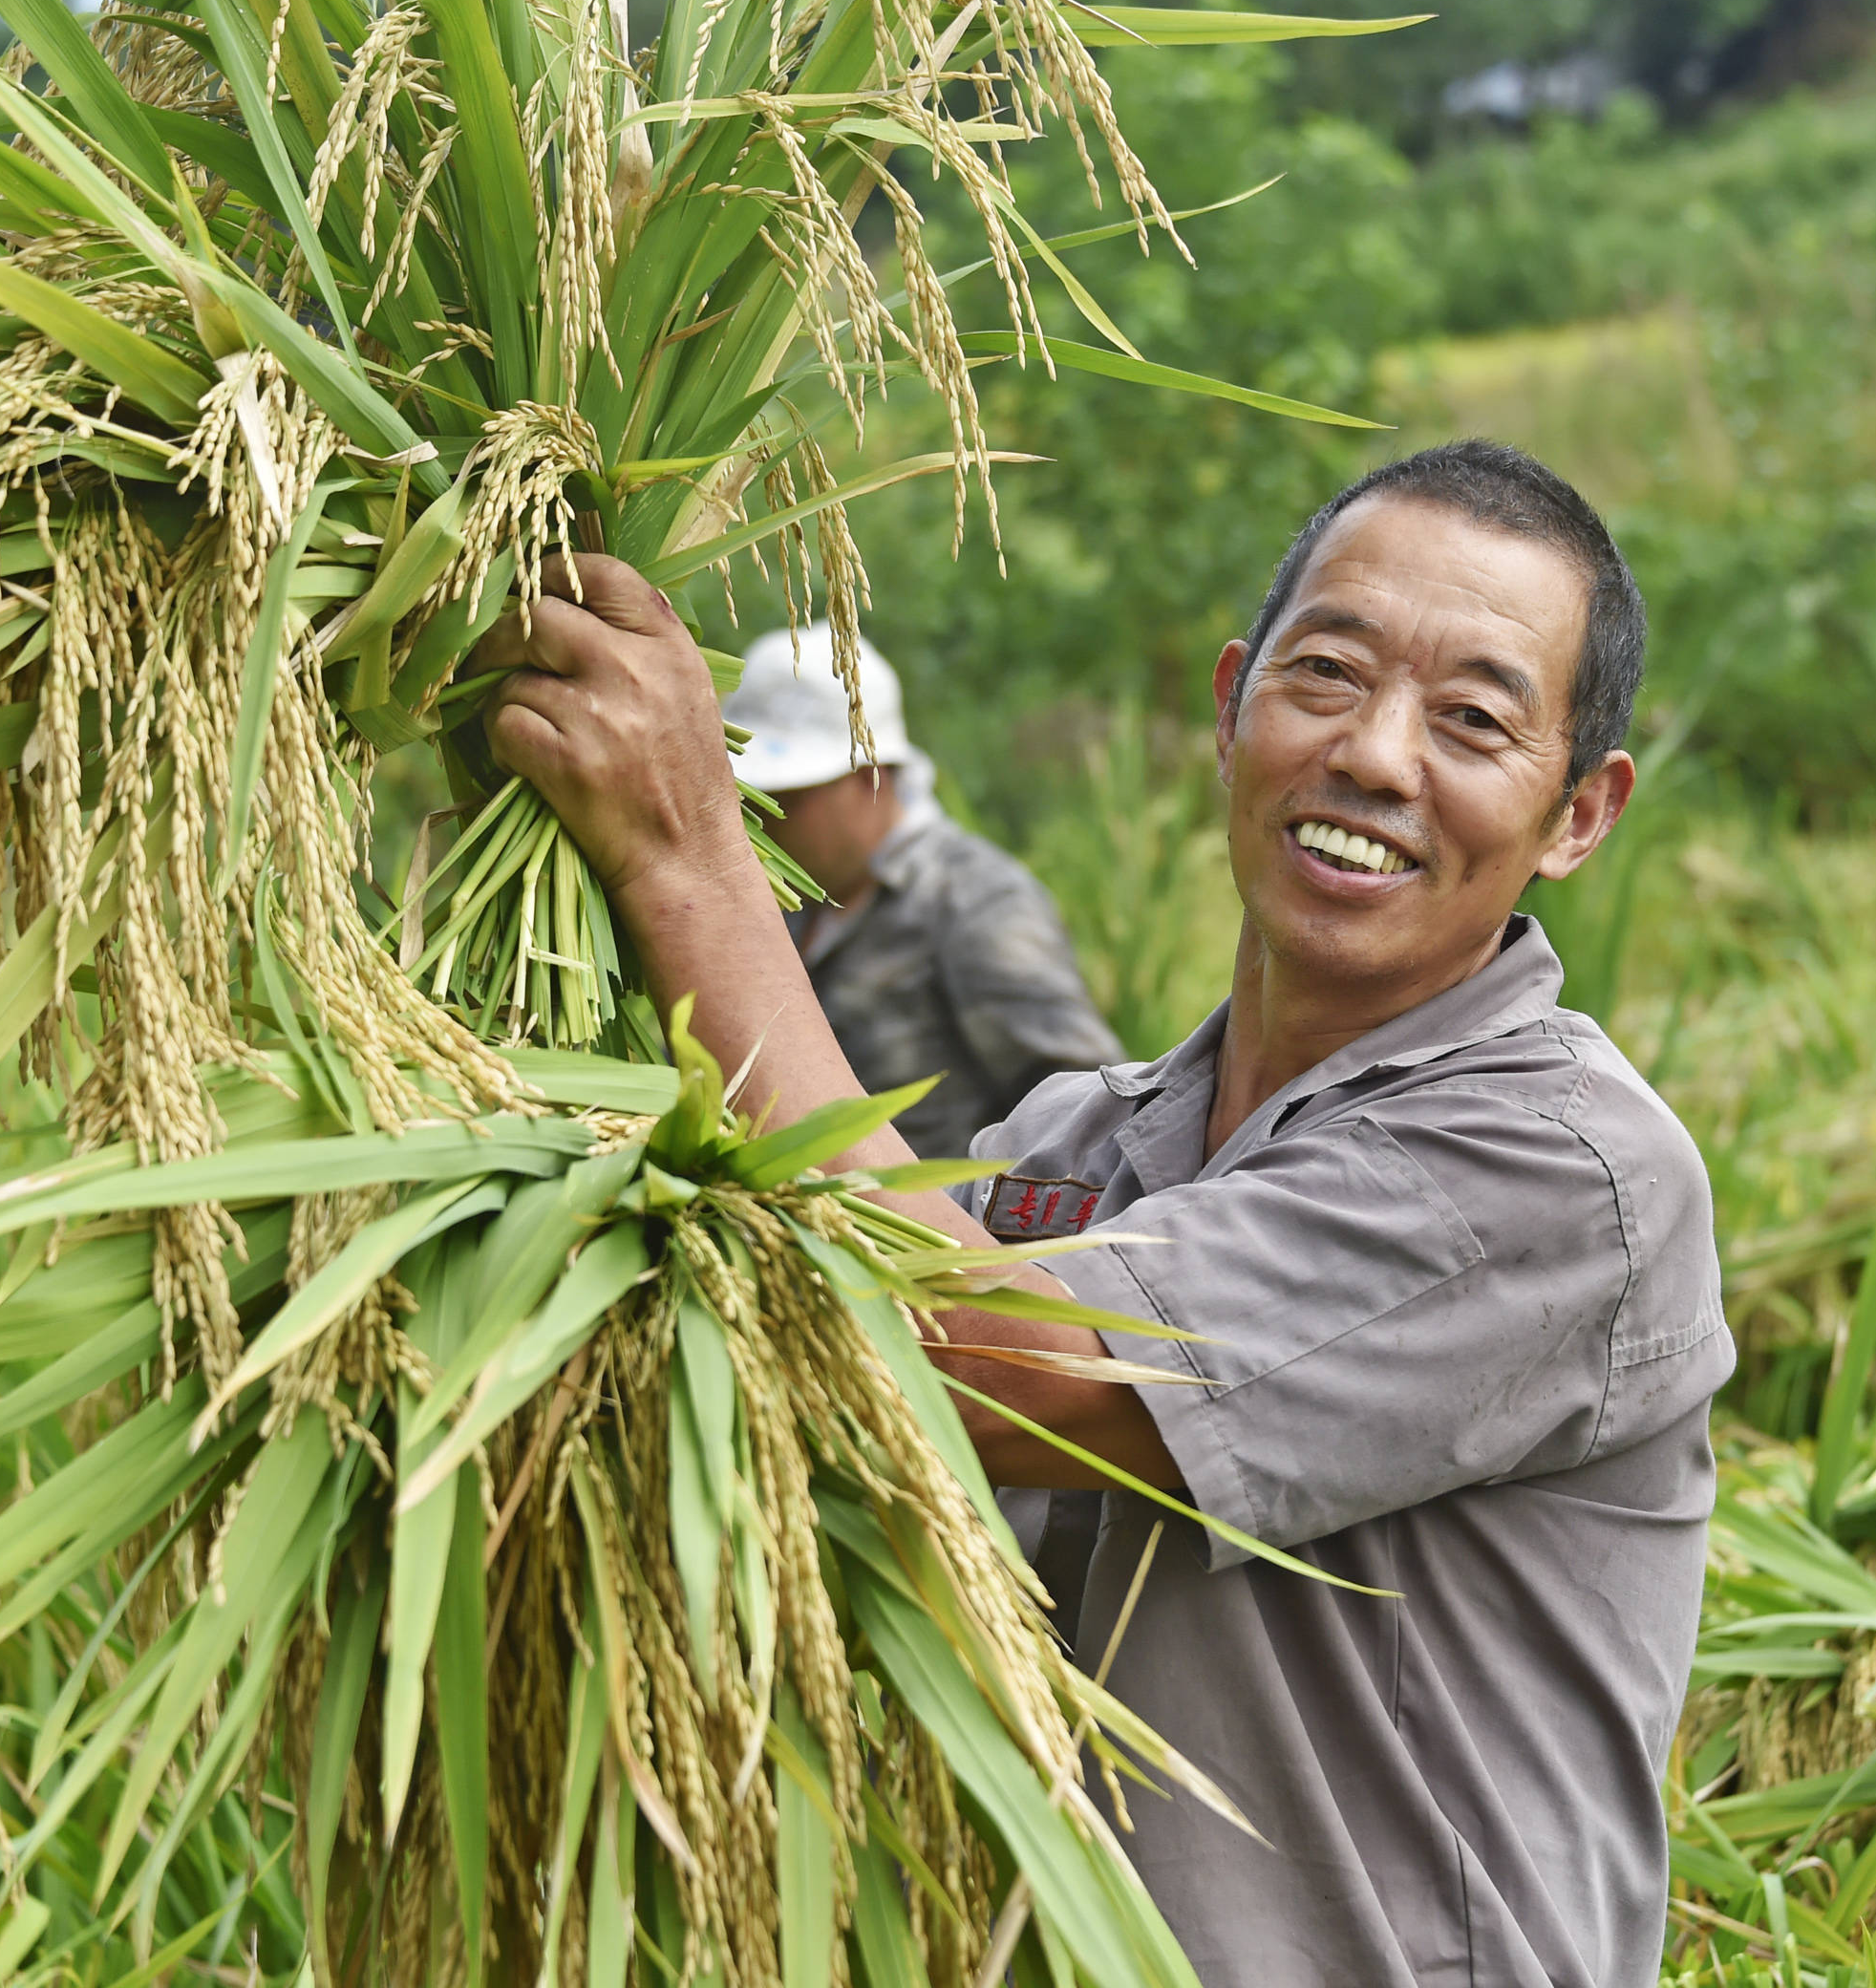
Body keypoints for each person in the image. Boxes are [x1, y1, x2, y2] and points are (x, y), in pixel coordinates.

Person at [474, 438, 1732, 1988]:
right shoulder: (1076, 1143)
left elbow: (964, 1353)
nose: (1378, 758)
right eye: (1326, 676)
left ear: (1578, 814)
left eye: (1473, 719)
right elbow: (784, 1403)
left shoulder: (1566, 1172)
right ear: (1229, 707)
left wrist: (684, 856)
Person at [719, 622, 1122, 1158]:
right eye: (755, 795)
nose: (767, 818)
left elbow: (1086, 1115)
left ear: (872, 776)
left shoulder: (974, 903)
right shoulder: (781, 901)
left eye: (791, 795)